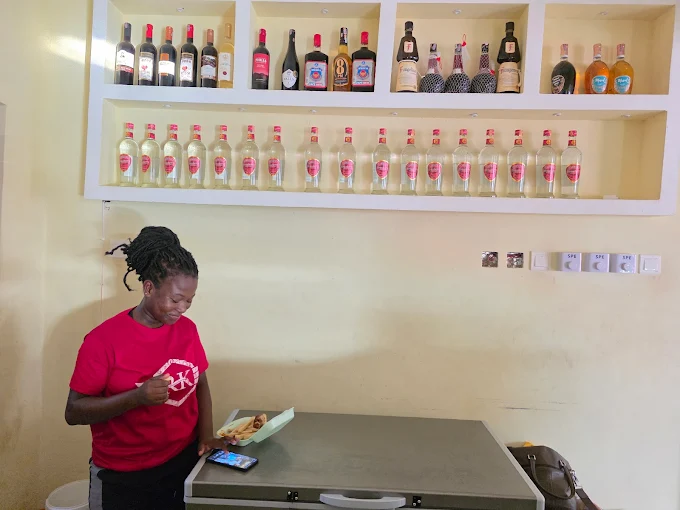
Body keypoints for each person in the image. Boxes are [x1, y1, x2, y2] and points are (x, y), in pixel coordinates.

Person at [65, 226, 229, 510]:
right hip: (124, 478)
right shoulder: (103, 341)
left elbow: (200, 383)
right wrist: (136, 397)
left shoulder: (187, 330)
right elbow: (74, 411)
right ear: (149, 288)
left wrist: (206, 437)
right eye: (175, 299)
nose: (183, 308)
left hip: (182, 463)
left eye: (189, 300)